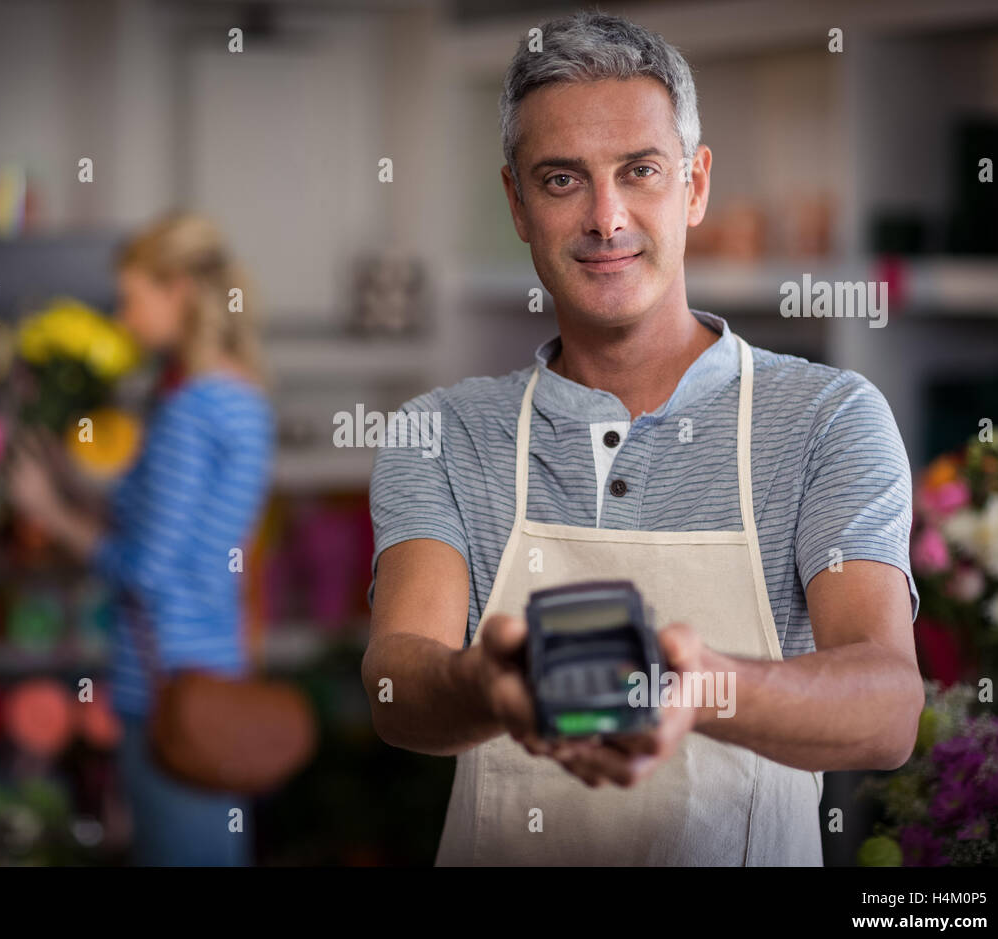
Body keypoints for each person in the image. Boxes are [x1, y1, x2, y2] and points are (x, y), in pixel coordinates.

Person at [362, 11, 923, 866]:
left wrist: (695, 686)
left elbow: (887, 710)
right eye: (561, 180)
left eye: (640, 171)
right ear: (516, 202)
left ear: (694, 186)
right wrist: (484, 685)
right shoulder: (441, 433)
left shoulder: (827, 418)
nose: (607, 217)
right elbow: (397, 688)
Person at [6, 212, 275, 866]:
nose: (124, 319)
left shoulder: (191, 407)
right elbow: (174, 526)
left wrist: (49, 511)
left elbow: (148, 569)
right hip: (212, 669)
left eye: (132, 298)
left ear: (178, 290)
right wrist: (75, 479)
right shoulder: (237, 394)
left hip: (165, 690)